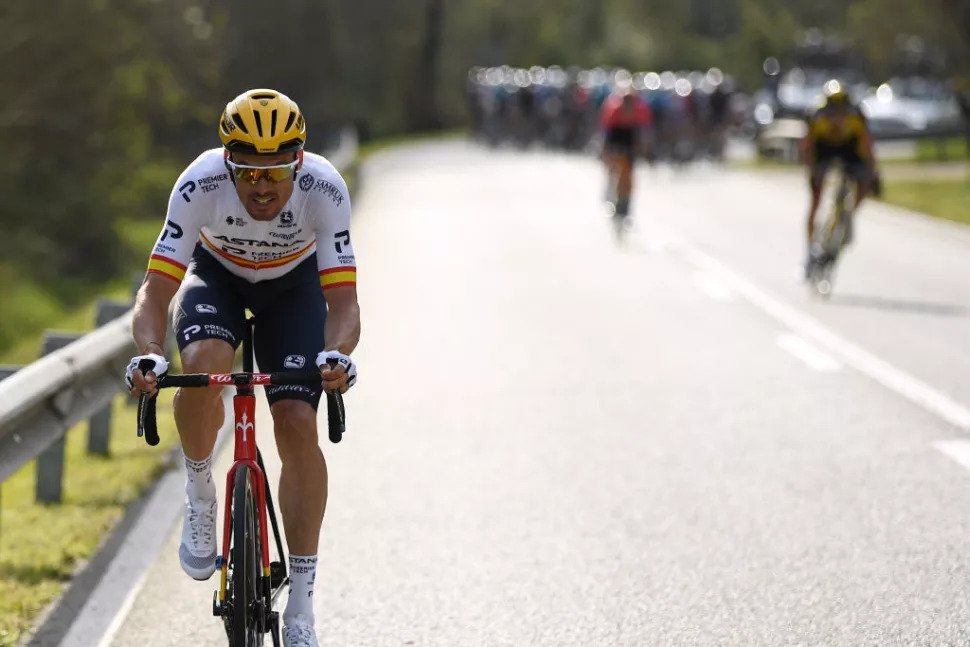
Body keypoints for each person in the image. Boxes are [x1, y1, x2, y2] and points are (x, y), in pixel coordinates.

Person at [124, 88, 360, 647]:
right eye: (248, 171)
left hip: (295, 288)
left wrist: (337, 356)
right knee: (202, 364)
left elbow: (344, 303)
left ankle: (301, 607)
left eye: (275, 172)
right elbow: (155, 290)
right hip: (218, 277)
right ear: (227, 163)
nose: (261, 186)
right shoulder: (199, 183)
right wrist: (151, 351)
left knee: (297, 422)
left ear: (298, 163)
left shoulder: (325, 188)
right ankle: (200, 490)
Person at [802, 80, 880, 276]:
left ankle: (848, 215)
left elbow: (867, 146)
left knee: (864, 181)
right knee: (815, 200)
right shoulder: (816, 116)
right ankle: (810, 252)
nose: (836, 114)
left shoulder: (856, 116)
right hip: (824, 150)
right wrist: (812, 171)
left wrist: (873, 173)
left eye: (840, 109)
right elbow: (808, 147)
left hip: (848, 149)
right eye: (832, 109)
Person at [597, 83, 653, 218]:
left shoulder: (640, 110)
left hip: (630, 142)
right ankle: (611, 197)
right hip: (616, 140)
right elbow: (607, 133)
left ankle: (624, 203)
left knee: (628, 175)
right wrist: (605, 150)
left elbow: (644, 133)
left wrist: (644, 149)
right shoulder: (614, 109)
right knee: (613, 172)